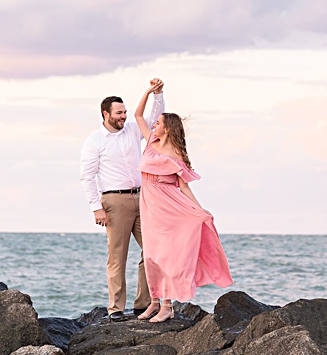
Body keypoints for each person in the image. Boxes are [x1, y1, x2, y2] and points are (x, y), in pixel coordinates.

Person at [132, 82, 232, 323]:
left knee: (166, 255)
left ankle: (166, 306)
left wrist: (199, 210)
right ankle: (153, 303)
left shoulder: (176, 154)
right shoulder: (150, 143)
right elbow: (137, 115)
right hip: (149, 204)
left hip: (169, 205)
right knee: (152, 254)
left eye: (158, 123)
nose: (153, 125)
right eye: (154, 123)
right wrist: (148, 93)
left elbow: (184, 186)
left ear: (167, 128)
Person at [78, 82, 164, 320]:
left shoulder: (134, 131)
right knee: (117, 256)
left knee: (152, 251)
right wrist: (96, 207)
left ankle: (143, 304)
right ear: (105, 114)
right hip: (114, 201)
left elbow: (154, 116)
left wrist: (157, 94)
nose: (124, 117)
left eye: (125, 112)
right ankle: (116, 309)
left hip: (142, 197)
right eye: (119, 113)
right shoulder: (94, 141)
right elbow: (87, 176)